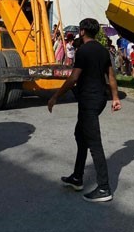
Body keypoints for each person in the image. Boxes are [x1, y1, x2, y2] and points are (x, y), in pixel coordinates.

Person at [47, 18, 121, 202]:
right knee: (80, 135)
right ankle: (77, 177)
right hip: (99, 99)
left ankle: (104, 188)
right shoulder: (103, 51)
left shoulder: (83, 51)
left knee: (94, 143)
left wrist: (55, 96)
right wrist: (115, 97)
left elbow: (73, 78)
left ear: (82, 31)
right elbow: (110, 76)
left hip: (89, 101)